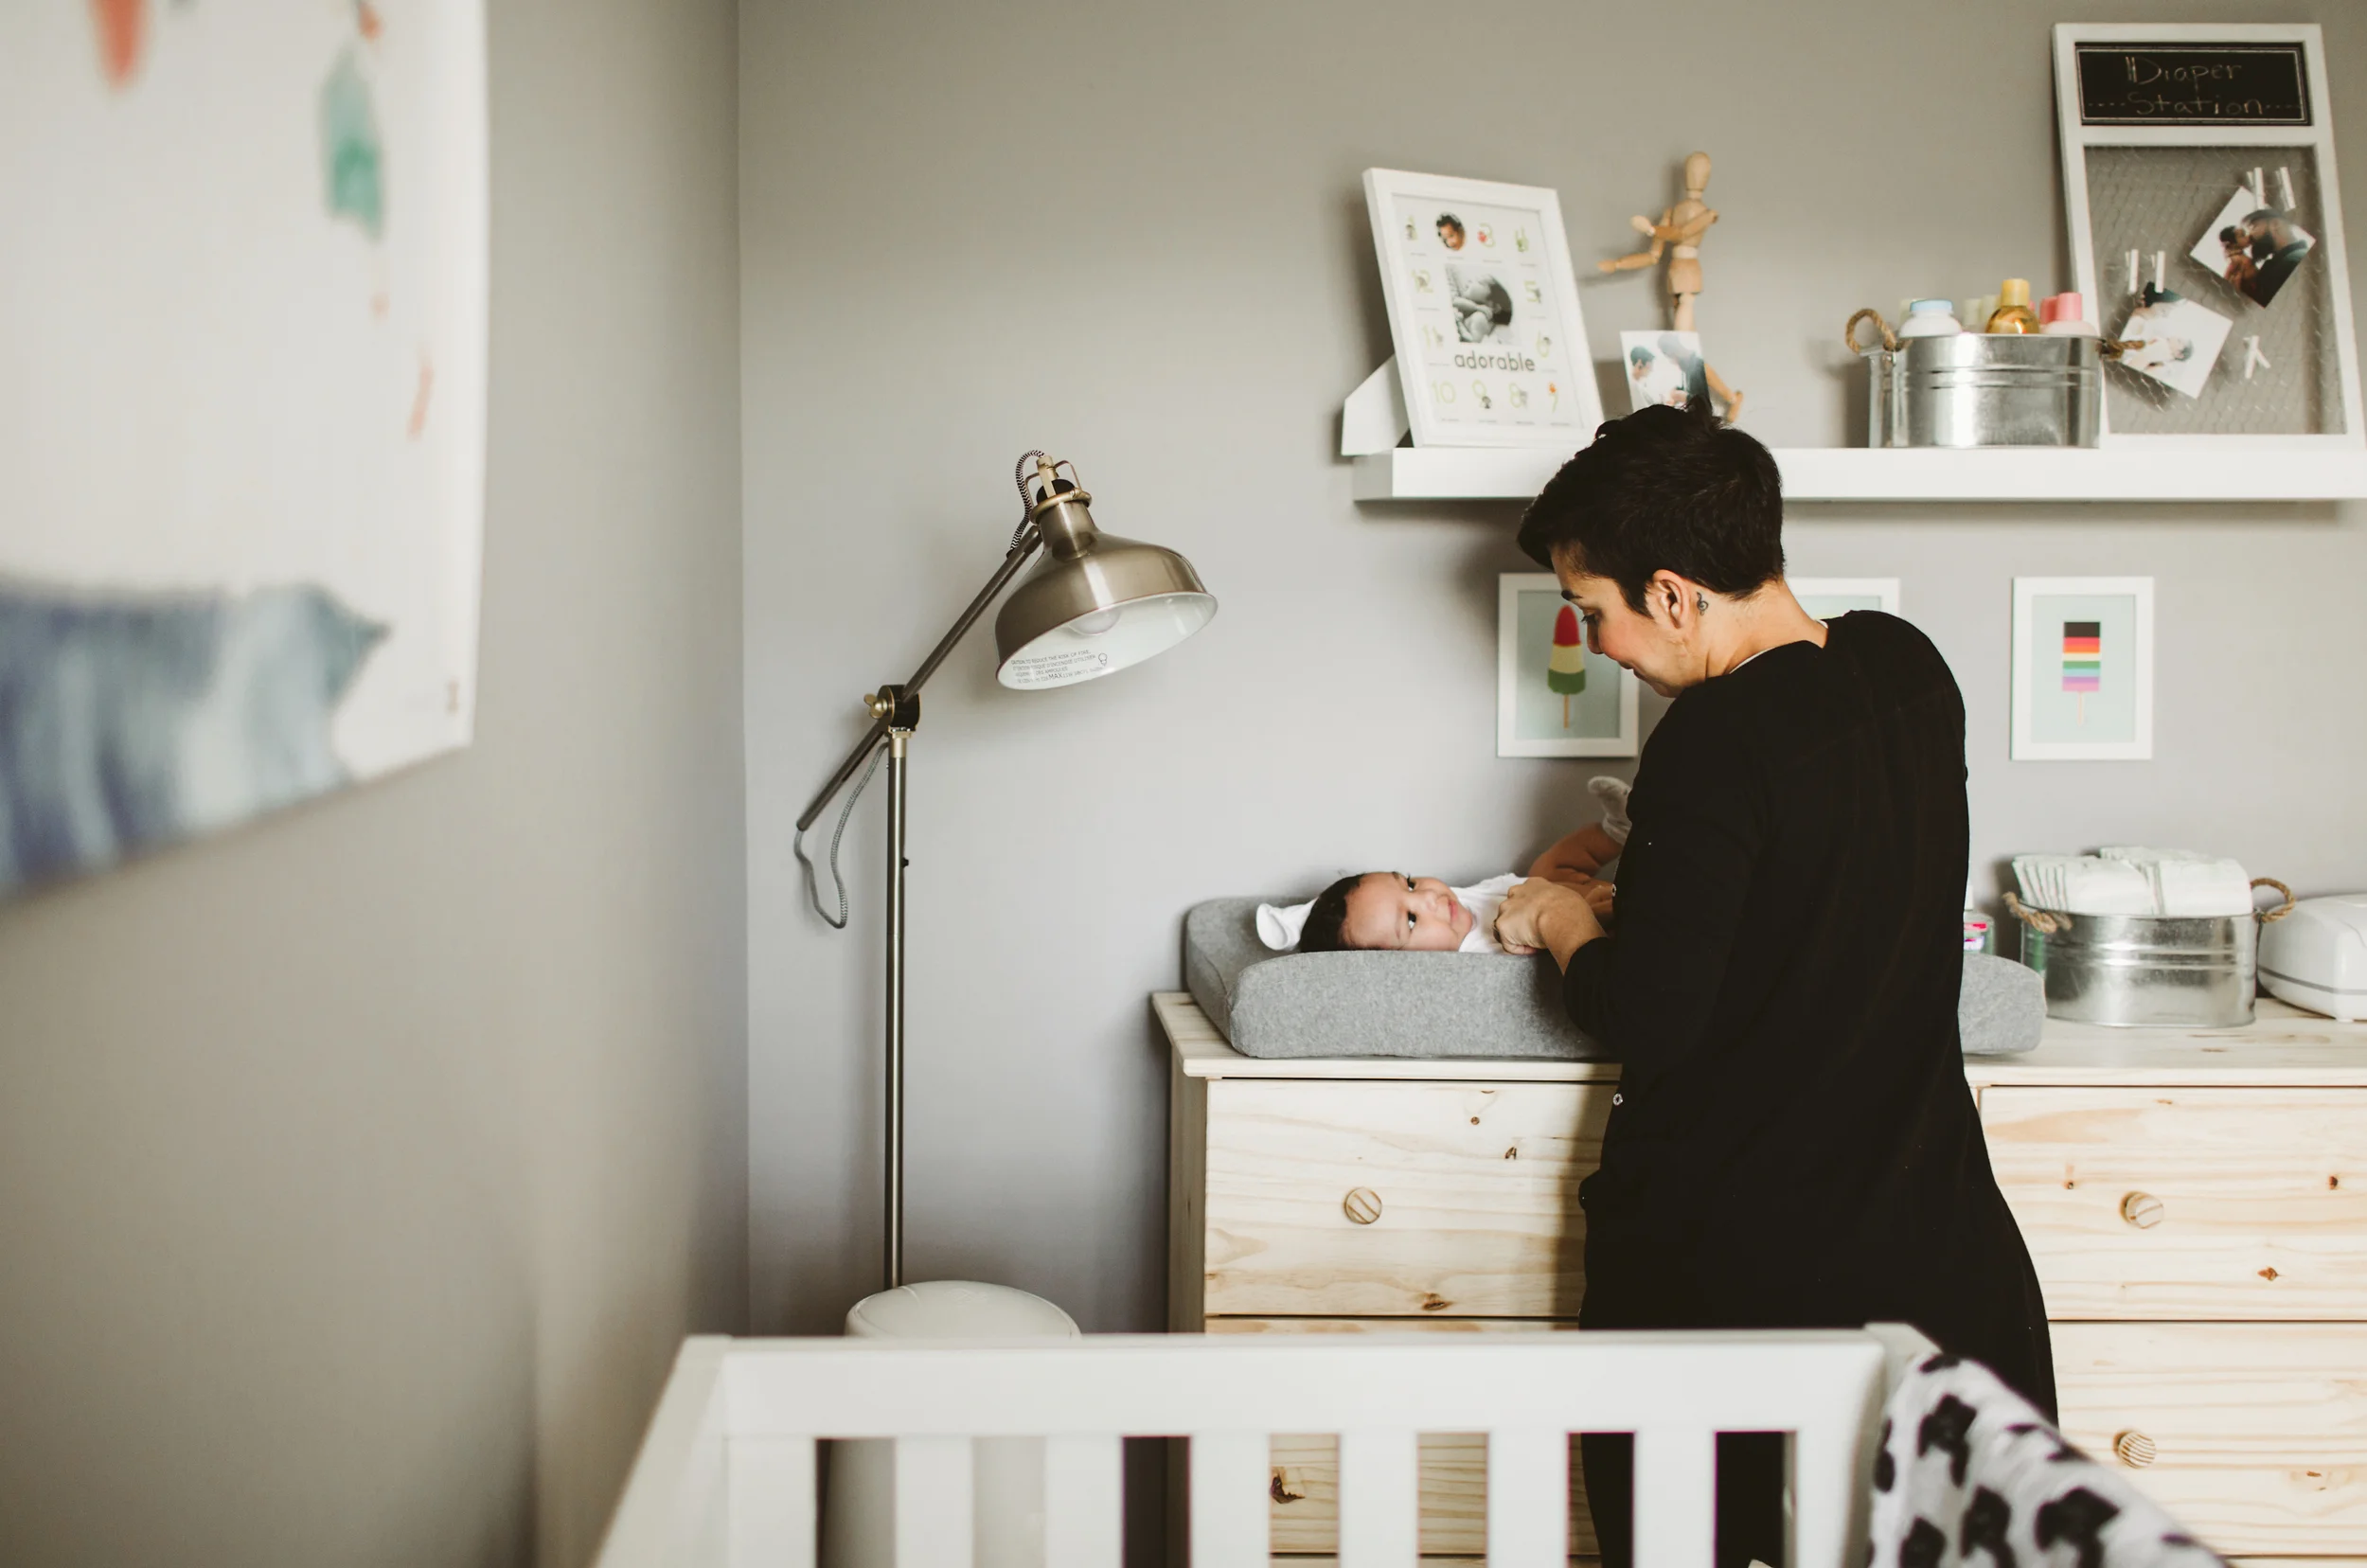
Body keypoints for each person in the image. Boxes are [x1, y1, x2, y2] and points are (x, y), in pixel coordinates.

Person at [1492, 401, 2053, 1568]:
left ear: (1674, 594)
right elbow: (1820, 902)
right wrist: (1636, 896)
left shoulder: (1712, 741)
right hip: (1931, 1235)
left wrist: (1553, 917)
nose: (1598, 642)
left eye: (1594, 612)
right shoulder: (1905, 668)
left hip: (1751, 1261)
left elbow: (1646, 1012)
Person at [1260, 782, 1629, 953]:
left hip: (1558, 886)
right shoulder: (1474, 956)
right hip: (1587, 918)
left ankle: (1617, 830)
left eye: (1408, 884)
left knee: (1548, 866)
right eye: (1410, 921)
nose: (1429, 900)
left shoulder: (1453, 904)